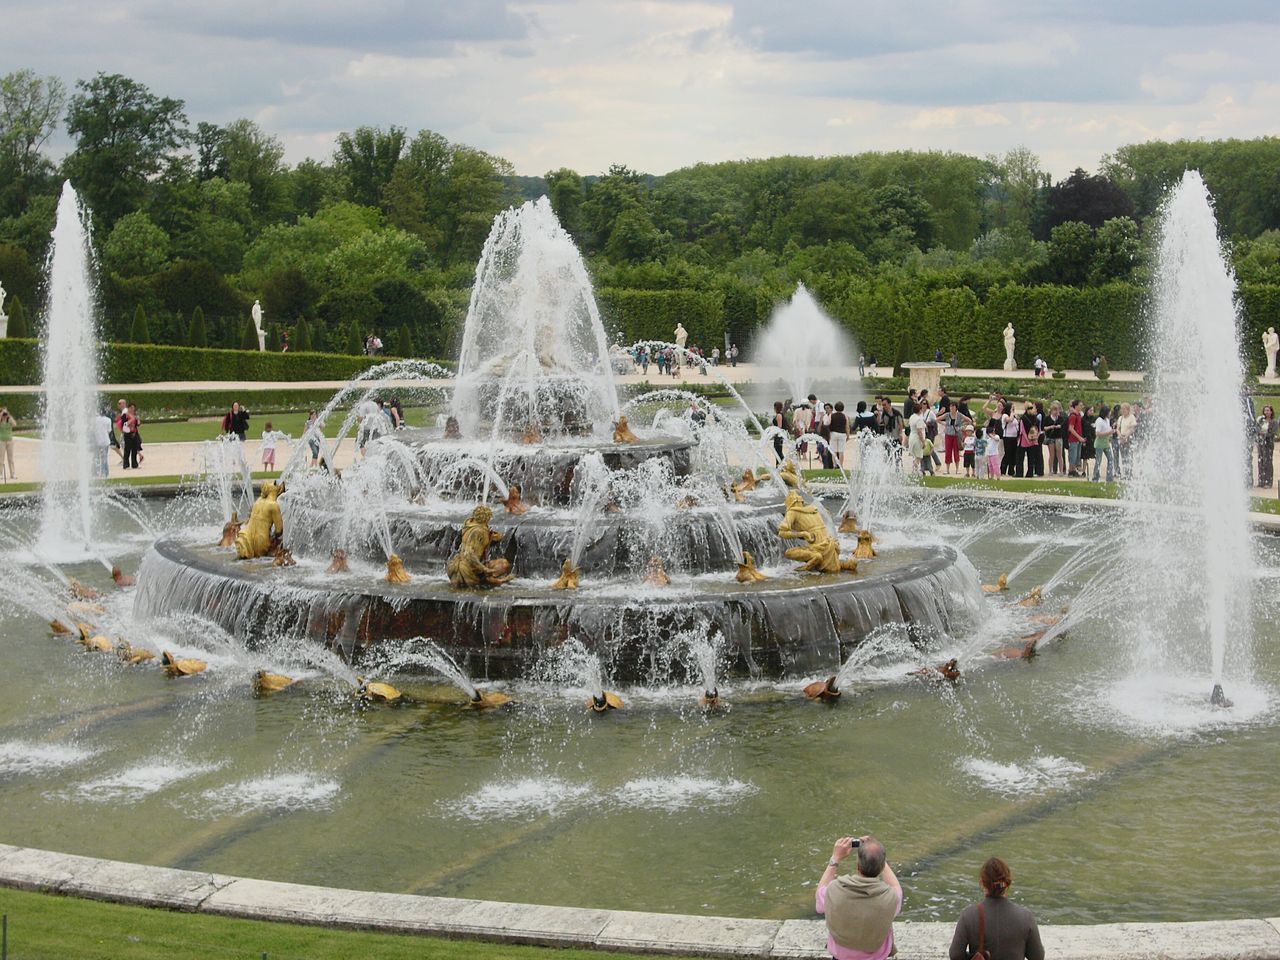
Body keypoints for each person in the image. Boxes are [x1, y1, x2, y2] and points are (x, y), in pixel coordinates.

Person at [815, 835, 902, 960]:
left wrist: (835, 858)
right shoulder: (891, 898)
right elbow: (895, 886)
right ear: (882, 866)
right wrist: (878, 858)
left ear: (858, 866)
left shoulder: (833, 890)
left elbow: (819, 899)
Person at [948, 857, 1043, 960]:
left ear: (982, 883)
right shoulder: (1026, 917)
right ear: (1007, 884)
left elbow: (955, 955)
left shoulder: (968, 915)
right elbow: (1037, 956)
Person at [1092, 404, 1115, 482]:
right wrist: (1108, 433)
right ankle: (1095, 477)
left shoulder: (1107, 420)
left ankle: (1109, 477)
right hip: (1099, 443)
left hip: (1106, 443)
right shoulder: (1099, 421)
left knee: (1110, 459)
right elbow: (1097, 433)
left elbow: (1108, 429)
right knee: (1098, 461)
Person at [1257, 405, 1278, 488]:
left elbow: (1273, 433)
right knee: (1261, 461)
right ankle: (1261, 481)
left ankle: (1268, 482)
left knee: (1268, 462)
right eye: (1265, 410)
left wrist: (1265, 434)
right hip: (1261, 444)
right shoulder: (1261, 421)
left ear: (1271, 412)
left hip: (1269, 444)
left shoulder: (1274, 422)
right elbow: (1257, 429)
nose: (1266, 412)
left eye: (1268, 410)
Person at [1043, 401, 1065, 476]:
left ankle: (1061, 471)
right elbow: (1044, 427)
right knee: (1051, 454)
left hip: (1058, 437)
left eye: (1057, 410)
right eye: (1054, 410)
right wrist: (1051, 427)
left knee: (1059, 455)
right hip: (1051, 437)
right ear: (1051, 410)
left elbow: (1063, 425)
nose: (1055, 412)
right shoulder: (1047, 418)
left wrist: (1060, 426)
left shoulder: (1060, 418)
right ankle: (1050, 470)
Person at [1065, 400, 1085, 477]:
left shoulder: (1078, 415)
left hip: (1077, 439)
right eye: (1080, 405)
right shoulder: (1073, 416)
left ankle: (1073, 470)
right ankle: (1071, 470)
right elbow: (1071, 428)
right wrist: (1079, 437)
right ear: (1076, 406)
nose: (1081, 407)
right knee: (1073, 455)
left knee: (1077, 455)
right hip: (1073, 439)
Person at [93, 409, 113, 478]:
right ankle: (105, 473)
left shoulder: (95, 419)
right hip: (105, 441)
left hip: (97, 441)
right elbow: (109, 430)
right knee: (104, 457)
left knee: (97, 457)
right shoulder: (108, 420)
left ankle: (97, 472)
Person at [120, 402, 141, 469]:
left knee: (134, 449)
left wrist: (138, 420)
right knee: (127, 449)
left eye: (133, 408)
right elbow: (123, 425)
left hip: (134, 433)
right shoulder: (125, 415)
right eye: (131, 408)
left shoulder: (134, 415)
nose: (132, 409)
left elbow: (137, 425)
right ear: (128, 408)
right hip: (127, 433)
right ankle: (126, 465)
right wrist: (131, 420)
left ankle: (134, 464)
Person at [829, 401, 850, 468]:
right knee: (841, 451)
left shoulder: (832, 415)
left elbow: (829, 424)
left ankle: (834, 465)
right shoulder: (845, 416)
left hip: (833, 433)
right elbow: (847, 426)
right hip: (842, 434)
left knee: (834, 451)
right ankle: (840, 465)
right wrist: (848, 435)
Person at [0, 407, 16, 481]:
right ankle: (0, 474)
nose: (4, 415)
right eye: (4, 414)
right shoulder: (0, 421)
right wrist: (1, 414)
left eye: (5, 414)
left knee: (11, 458)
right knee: (1, 459)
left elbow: (14, 424)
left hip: (10, 441)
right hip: (1, 441)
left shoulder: (9, 420)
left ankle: (13, 474)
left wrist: (9, 415)